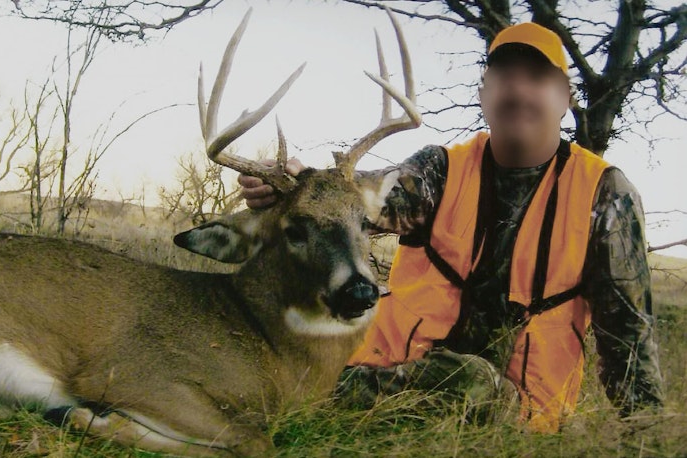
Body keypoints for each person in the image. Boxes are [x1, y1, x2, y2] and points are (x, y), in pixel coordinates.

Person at [238, 22, 664, 432]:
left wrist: (645, 431)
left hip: (520, 410)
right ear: (484, 95)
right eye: (504, 78)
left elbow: (628, 333)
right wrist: (302, 186)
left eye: (537, 79)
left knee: (471, 380)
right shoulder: (440, 169)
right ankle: (302, 386)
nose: (518, 91)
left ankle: (308, 391)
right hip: (396, 371)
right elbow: (368, 200)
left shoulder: (604, 193)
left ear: (566, 98)